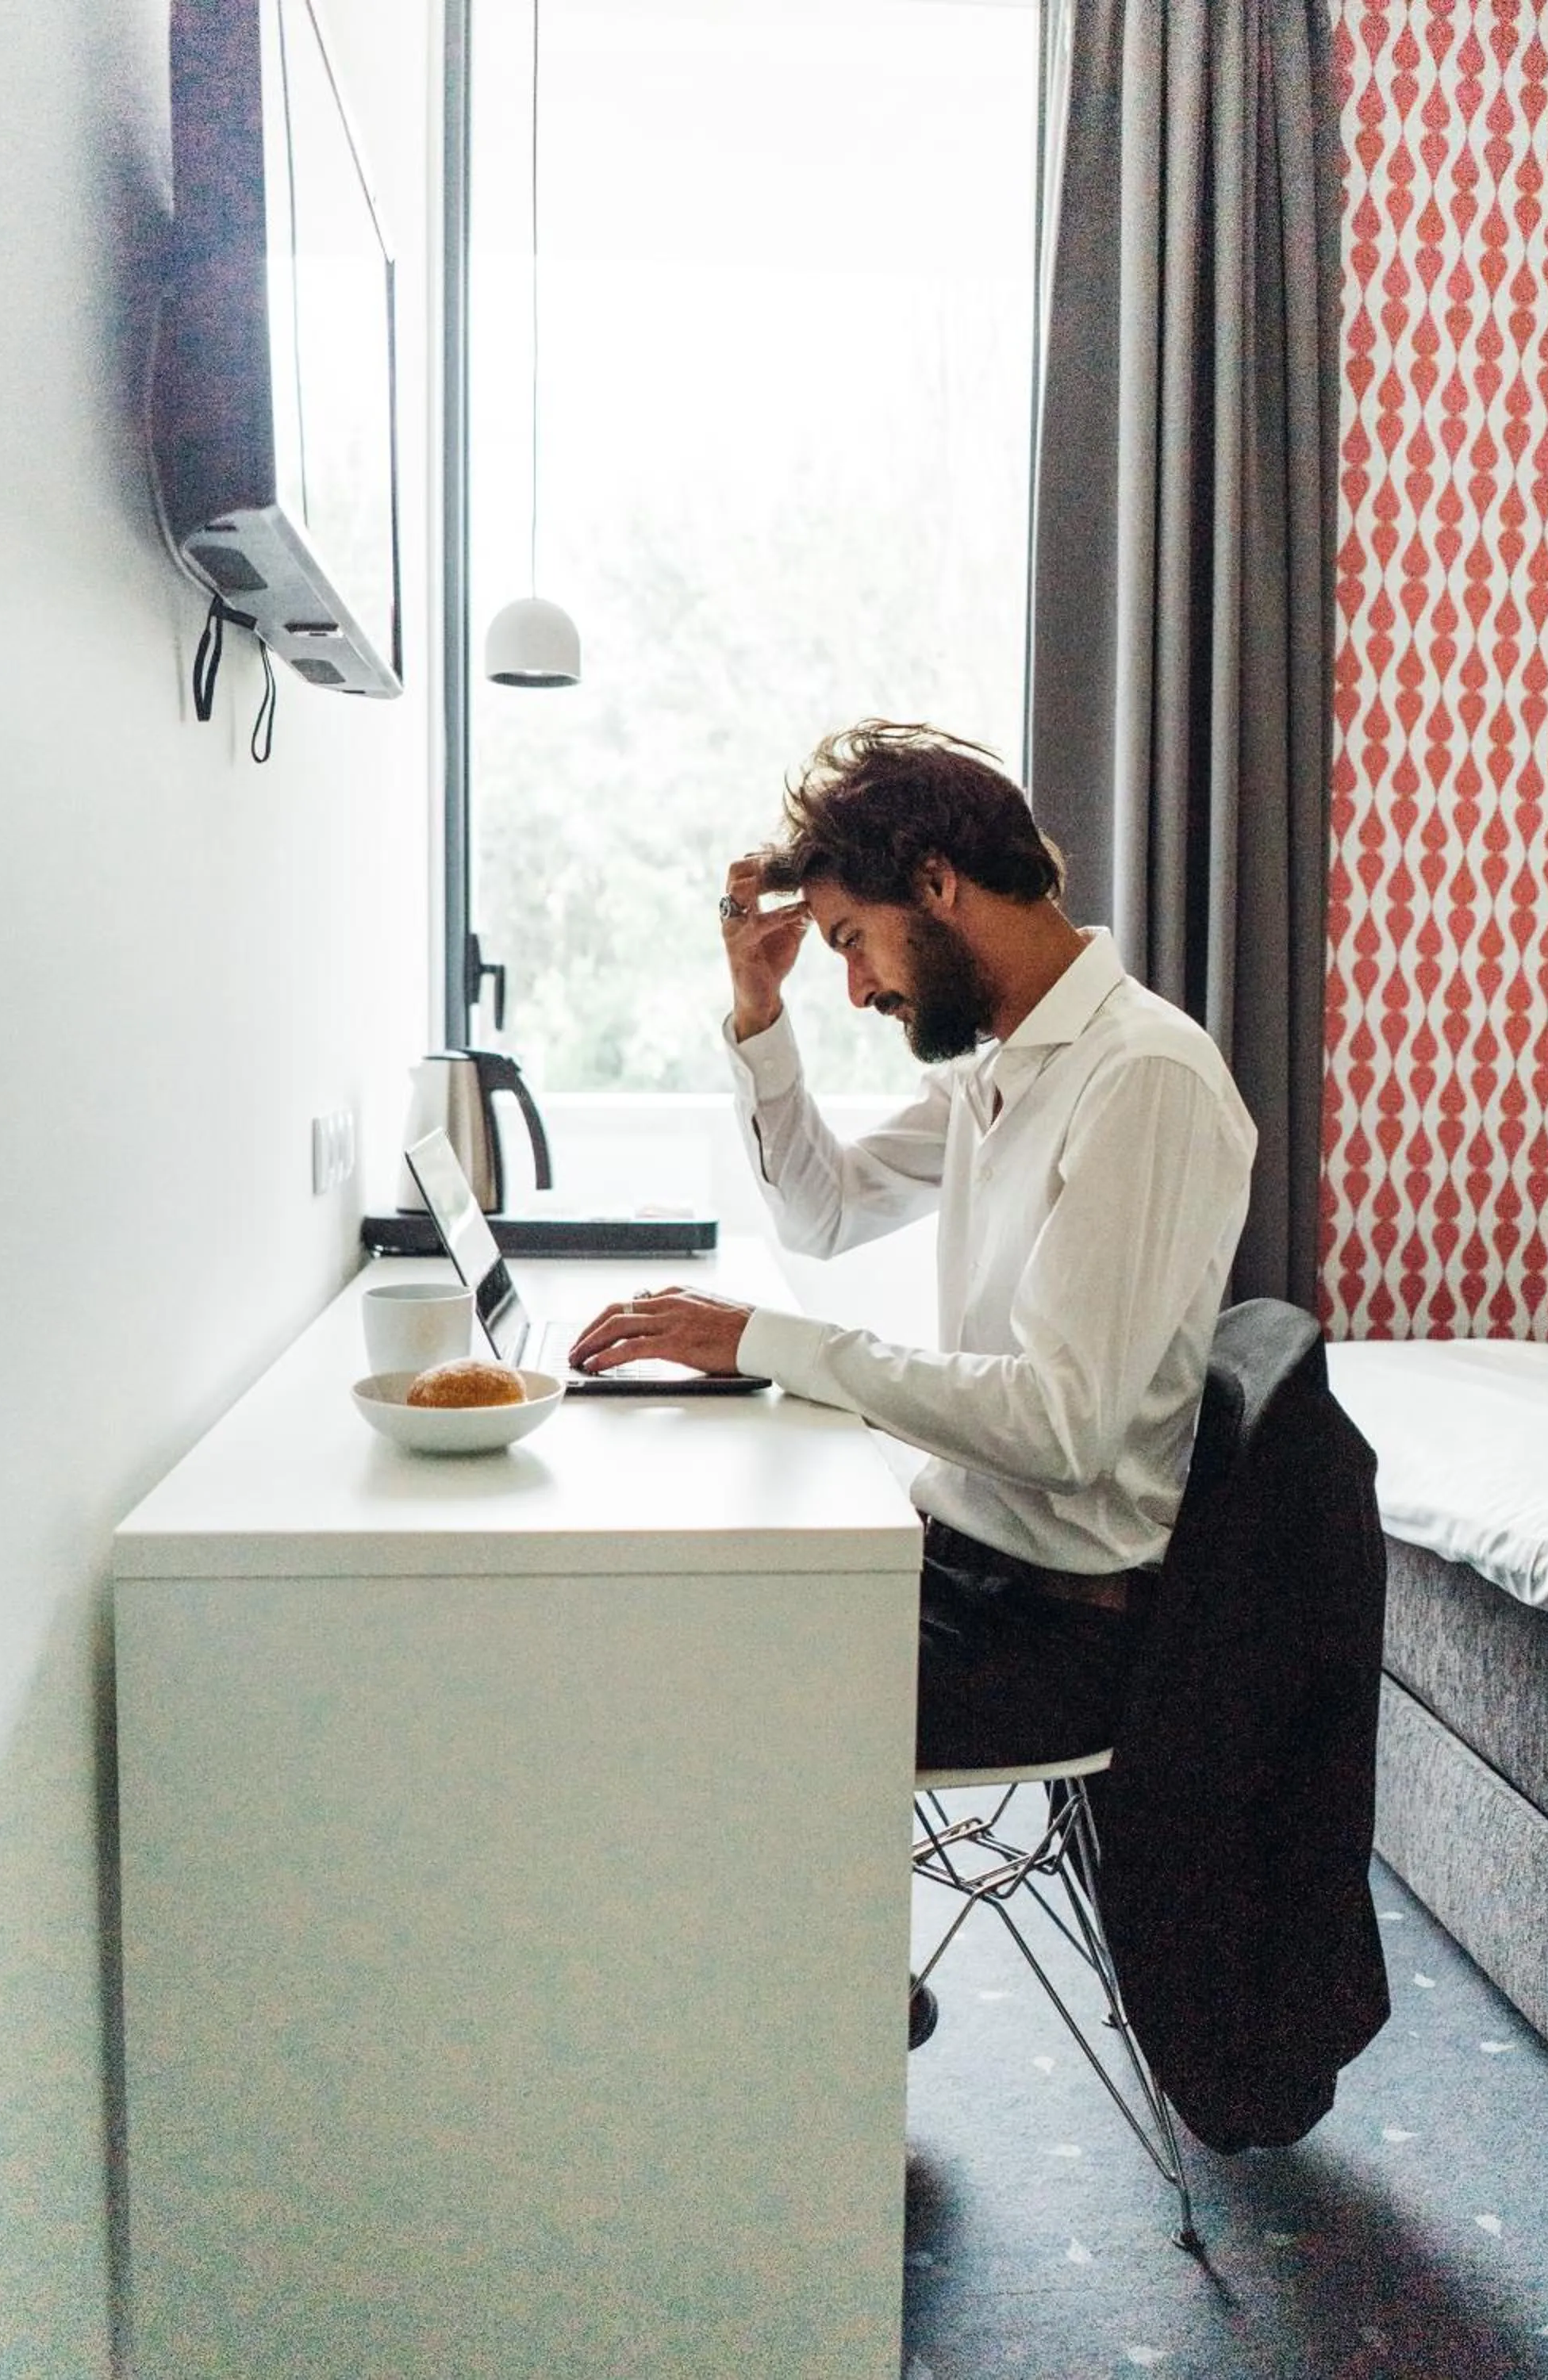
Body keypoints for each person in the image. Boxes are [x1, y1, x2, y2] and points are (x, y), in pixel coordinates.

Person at [570, 721, 1257, 2034]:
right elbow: (823, 1212)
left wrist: (761, 1340)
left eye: (850, 942)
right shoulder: (1009, 1065)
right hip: (970, 1567)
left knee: (683, 1699)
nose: (859, 987)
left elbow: (1060, 1427)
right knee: (668, 1622)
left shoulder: (1143, 1080)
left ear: (936, 885)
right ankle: (810, 2006)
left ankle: (801, 2033)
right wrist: (756, 1018)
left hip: (1060, 1629)